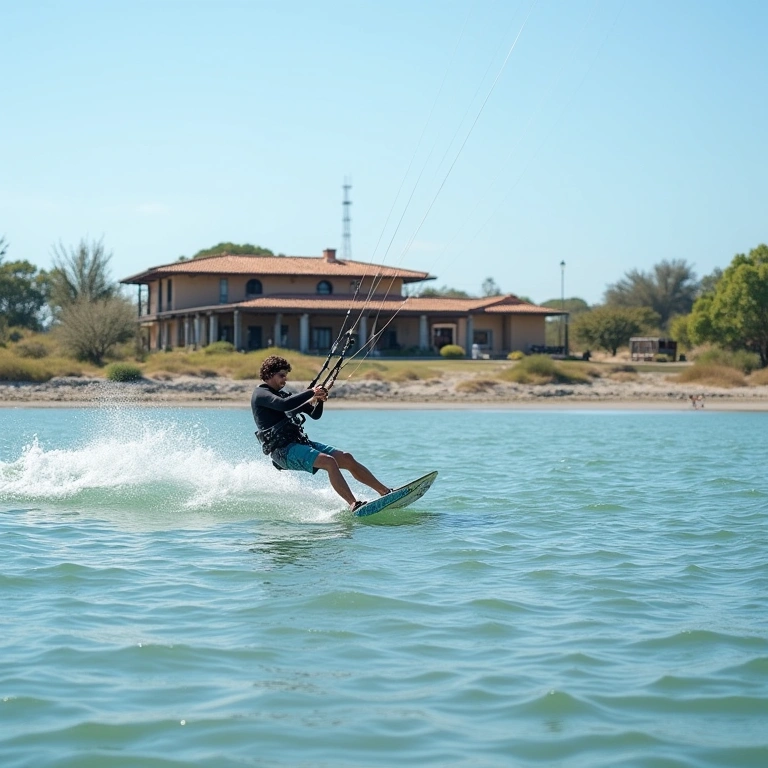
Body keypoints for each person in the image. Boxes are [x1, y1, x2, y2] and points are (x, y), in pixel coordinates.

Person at [252, 355, 391, 511]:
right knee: (329, 461)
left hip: (300, 444)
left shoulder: (284, 394)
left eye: (286, 376)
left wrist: (319, 399)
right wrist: (312, 391)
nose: (285, 380)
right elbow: (284, 405)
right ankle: (354, 504)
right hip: (282, 452)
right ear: (269, 374)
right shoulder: (260, 394)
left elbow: (314, 415)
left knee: (346, 458)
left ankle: (385, 492)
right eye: (281, 376)